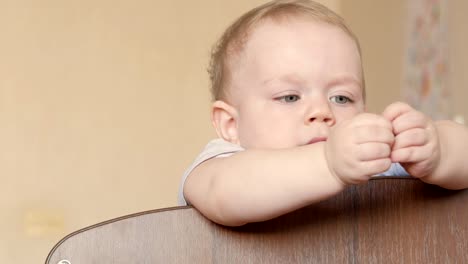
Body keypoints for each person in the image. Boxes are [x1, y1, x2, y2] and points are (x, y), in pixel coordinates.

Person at [177, 0, 468, 226]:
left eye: (341, 97)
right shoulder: (223, 163)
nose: (322, 111)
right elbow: (224, 194)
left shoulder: (377, 165)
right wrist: (329, 163)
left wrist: (439, 150)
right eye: (290, 97)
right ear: (231, 124)